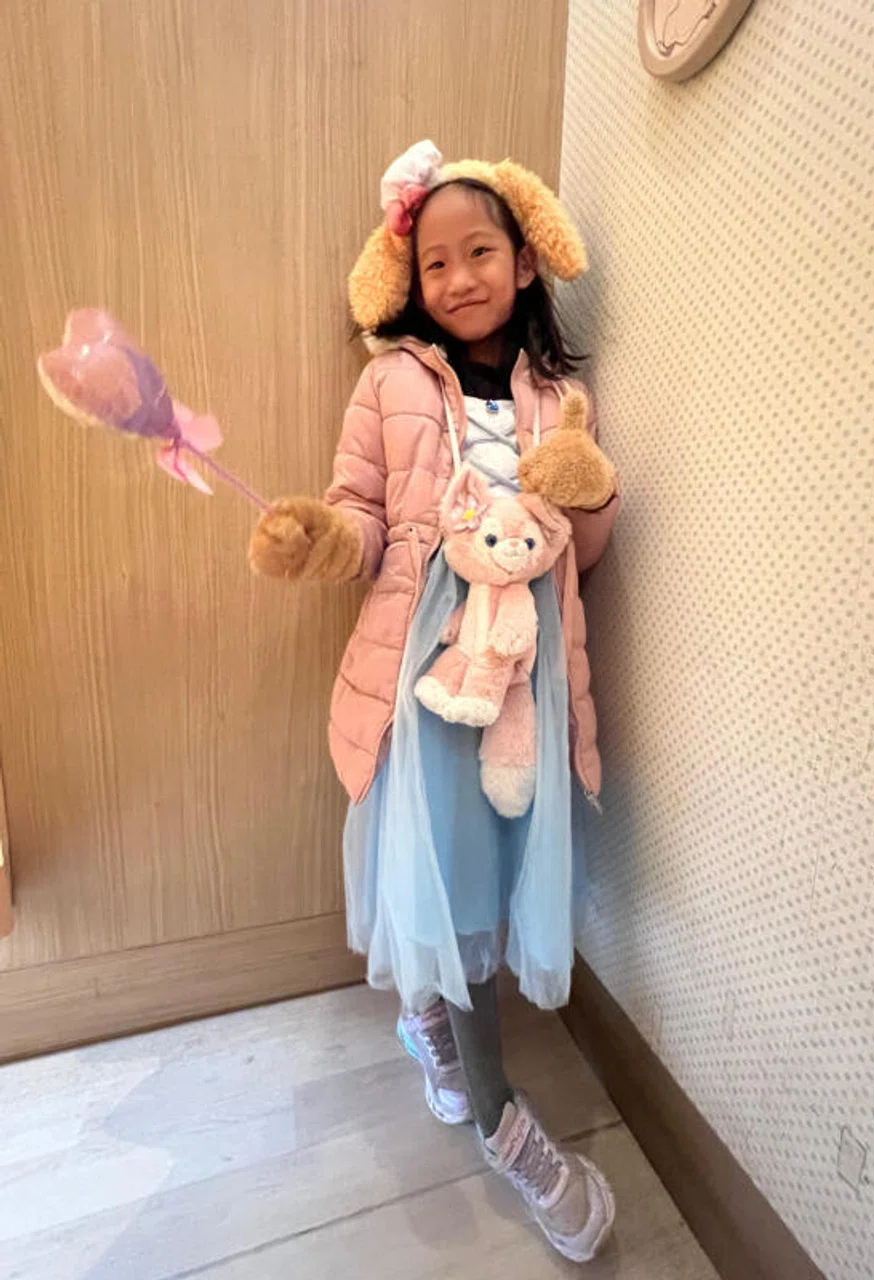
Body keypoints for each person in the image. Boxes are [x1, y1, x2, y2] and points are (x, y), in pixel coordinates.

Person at [249, 139, 619, 1263]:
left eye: (481, 253)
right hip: (428, 663)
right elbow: (362, 516)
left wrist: (589, 494)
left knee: (499, 858)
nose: (459, 278)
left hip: (528, 660)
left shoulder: (559, 394)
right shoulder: (391, 382)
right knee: (448, 867)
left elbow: (585, 549)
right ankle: (505, 1118)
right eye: (436, 262)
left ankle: (433, 1017)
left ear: (524, 261)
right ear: (409, 278)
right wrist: (322, 537)